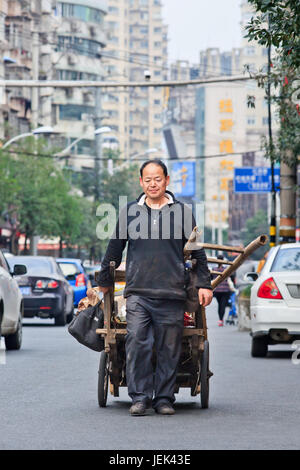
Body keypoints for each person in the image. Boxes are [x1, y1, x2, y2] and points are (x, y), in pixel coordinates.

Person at [97, 160, 213, 416]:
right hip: (138, 292)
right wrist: (104, 282)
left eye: (157, 179)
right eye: (148, 179)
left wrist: (204, 285)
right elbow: (114, 249)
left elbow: (197, 252)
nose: (153, 184)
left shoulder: (182, 212)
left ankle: (163, 398)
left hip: (172, 293)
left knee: (169, 348)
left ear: (167, 181)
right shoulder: (129, 212)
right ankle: (139, 398)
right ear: (141, 182)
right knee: (138, 342)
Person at [213, 255, 235, 327]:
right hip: (225, 290)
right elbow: (232, 277)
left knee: (220, 305)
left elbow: (210, 278)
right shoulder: (226, 269)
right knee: (222, 305)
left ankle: (220, 319)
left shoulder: (214, 269)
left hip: (217, 291)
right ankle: (221, 319)